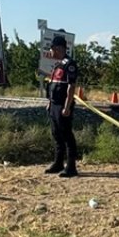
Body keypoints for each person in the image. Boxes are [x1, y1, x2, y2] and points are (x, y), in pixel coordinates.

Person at [43, 34, 79, 177]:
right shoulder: (58, 64)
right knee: (56, 134)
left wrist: (67, 107)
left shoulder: (69, 64)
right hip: (54, 105)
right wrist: (50, 102)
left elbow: (71, 87)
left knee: (66, 135)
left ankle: (71, 167)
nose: (51, 52)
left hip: (63, 105)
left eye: (52, 49)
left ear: (58, 48)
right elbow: (53, 85)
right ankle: (58, 163)